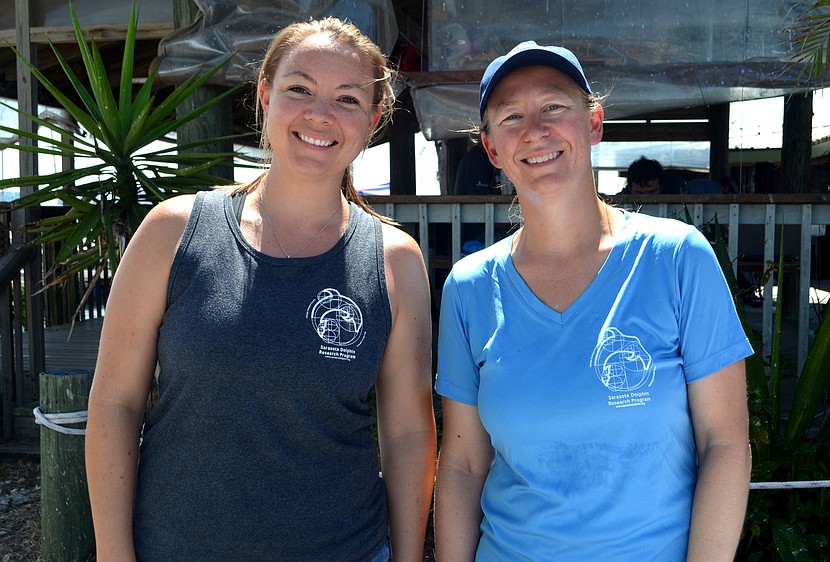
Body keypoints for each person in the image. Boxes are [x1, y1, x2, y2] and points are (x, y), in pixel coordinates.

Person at [85, 17, 436, 562]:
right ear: (265, 96)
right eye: (299, 89)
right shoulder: (171, 232)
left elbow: (410, 432)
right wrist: (113, 552)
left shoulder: (395, 260)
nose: (319, 114)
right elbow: (114, 405)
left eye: (347, 98)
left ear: (374, 119)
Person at [434, 40, 753, 561]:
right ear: (492, 150)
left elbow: (724, 444)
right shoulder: (469, 287)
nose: (535, 129)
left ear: (594, 123)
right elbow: (464, 465)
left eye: (554, 107)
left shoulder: (676, 258)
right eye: (511, 116)